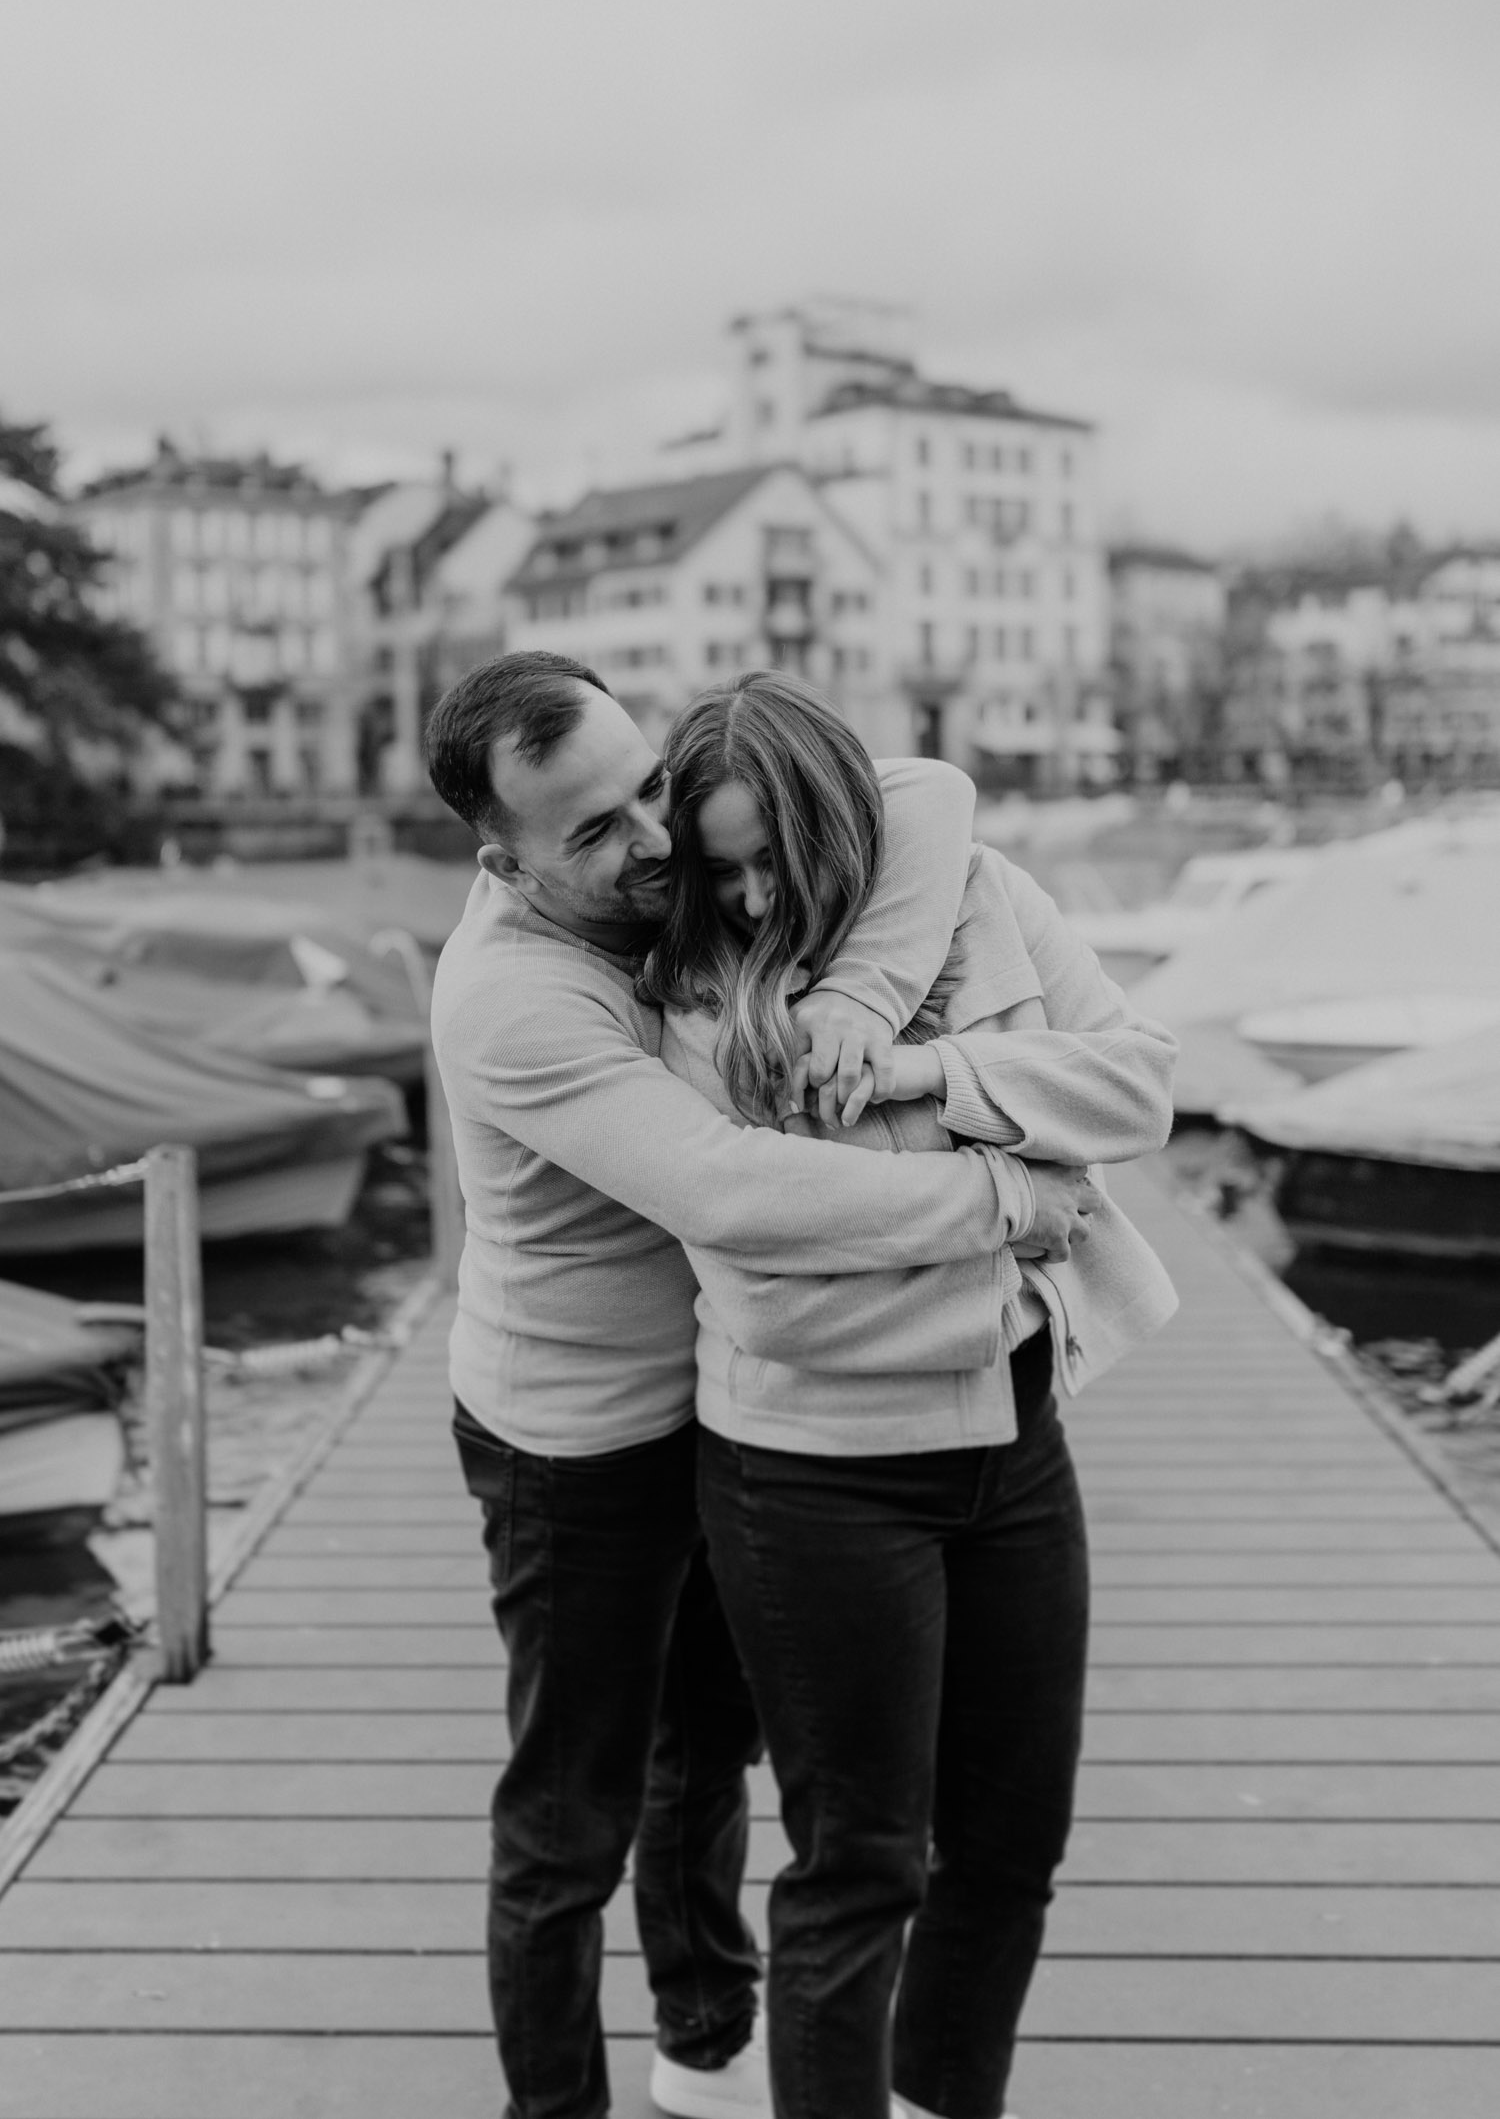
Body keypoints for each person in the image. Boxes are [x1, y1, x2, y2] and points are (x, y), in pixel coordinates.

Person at [424, 652, 1096, 2119]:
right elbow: (730, 1186)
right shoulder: (513, 1000)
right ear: (504, 860)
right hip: (578, 1434)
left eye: (646, 786)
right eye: (591, 831)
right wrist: (1005, 1204)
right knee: (569, 1813)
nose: (651, 842)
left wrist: (860, 990)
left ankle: (705, 2035)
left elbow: (918, 789)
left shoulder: (675, 861)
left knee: (704, 1740)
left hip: (731, 1400)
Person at [641, 670, 1179, 2119]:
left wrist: (929, 1072)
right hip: (812, 1474)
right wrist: (1019, 1180)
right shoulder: (695, 998)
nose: (753, 900)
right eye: (723, 867)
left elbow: (1138, 1090)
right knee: (860, 1869)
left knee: (1009, 1848)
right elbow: (765, 1277)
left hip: (1016, 1435)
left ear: (841, 833)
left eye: (777, 859)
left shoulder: (982, 893)